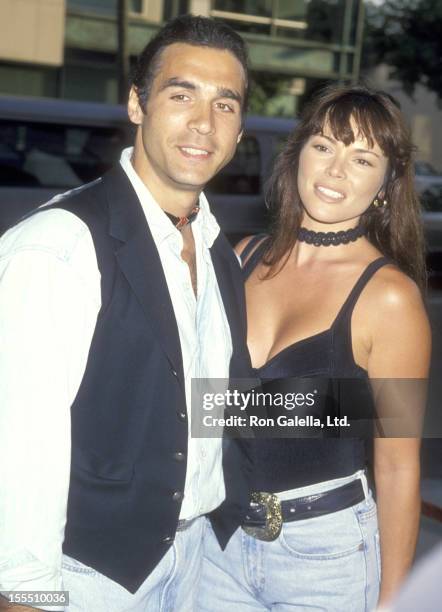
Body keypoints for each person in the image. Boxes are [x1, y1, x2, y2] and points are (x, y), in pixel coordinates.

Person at [0, 15, 253, 612]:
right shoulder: (59, 245)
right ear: (137, 104)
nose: (203, 122)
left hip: (196, 565)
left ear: (240, 128)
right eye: (181, 93)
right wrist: (24, 593)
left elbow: (205, 399)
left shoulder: (218, 249)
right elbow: (19, 443)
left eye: (225, 104)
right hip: (88, 576)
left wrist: (363, 412)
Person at [199, 85, 431, 611]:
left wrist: (393, 602)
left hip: (325, 560)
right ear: (298, 152)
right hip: (219, 544)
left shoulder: (389, 298)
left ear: (385, 185)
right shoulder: (245, 256)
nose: (335, 171)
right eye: (325, 146)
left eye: (362, 158)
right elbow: (212, 407)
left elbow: (397, 466)